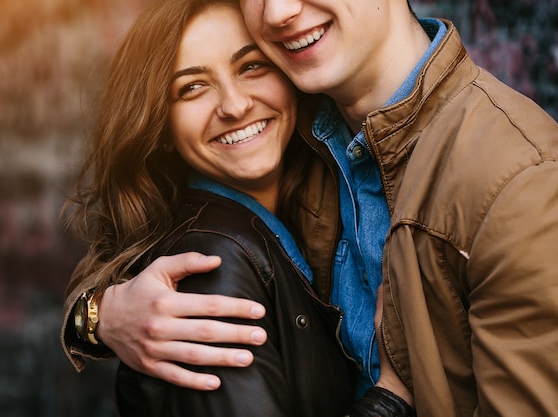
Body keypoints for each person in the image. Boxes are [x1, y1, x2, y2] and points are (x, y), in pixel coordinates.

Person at [63, 0, 558, 416]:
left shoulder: (517, 183)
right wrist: (99, 315)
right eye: (193, 86)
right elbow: (151, 241)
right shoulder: (304, 129)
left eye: (249, 65)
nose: (278, 11)